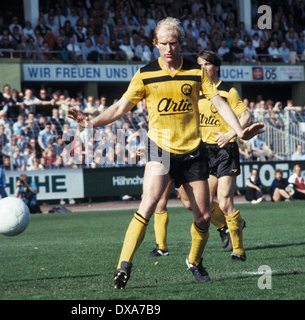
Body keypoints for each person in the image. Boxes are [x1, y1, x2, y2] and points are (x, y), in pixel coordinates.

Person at [67, 17, 263, 288]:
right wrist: (90, 121)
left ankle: (194, 261)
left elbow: (218, 102)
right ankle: (123, 266)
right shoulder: (146, 74)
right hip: (159, 148)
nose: (168, 48)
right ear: (155, 44)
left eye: (173, 43)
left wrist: (239, 132)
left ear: (181, 43)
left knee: (204, 216)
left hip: (193, 150)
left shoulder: (196, 72)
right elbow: (121, 106)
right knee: (148, 204)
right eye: (163, 43)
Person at [150, 50, 252, 262]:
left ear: (216, 67)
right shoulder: (195, 90)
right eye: (200, 65)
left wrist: (230, 134)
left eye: (206, 64)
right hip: (201, 151)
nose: (203, 68)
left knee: (224, 202)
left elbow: (246, 116)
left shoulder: (227, 91)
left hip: (225, 150)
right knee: (193, 205)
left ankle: (238, 251)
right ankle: (228, 225)